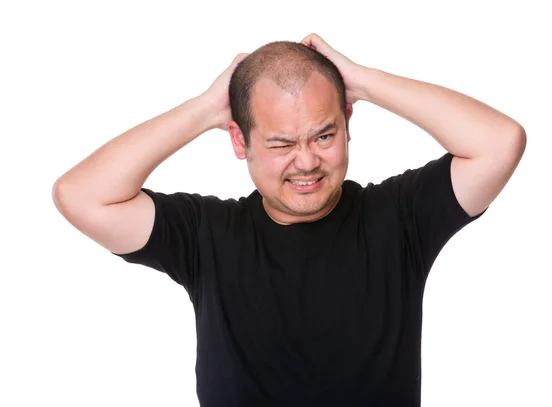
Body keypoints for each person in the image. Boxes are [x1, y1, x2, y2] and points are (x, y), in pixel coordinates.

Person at [52, 33, 526, 407]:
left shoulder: (400, 217)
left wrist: (360, 80)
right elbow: (81, 196)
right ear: (240, 143)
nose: (306, 162)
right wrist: (202, 112)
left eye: (324, 135)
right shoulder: (204, 233)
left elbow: (500, 142)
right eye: (281, 144)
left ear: (347, 123)